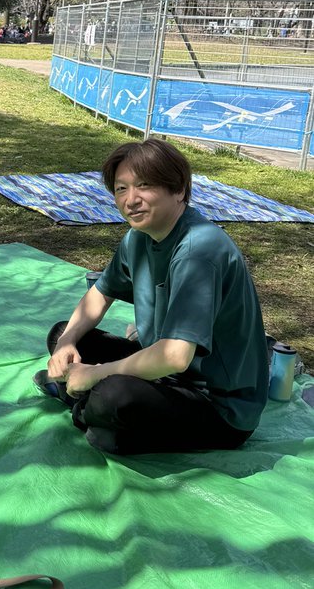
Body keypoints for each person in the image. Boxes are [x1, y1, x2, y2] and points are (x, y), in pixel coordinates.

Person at [35, 138, 270, 455]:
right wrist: (68, 342)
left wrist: (94, 374)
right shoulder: (137, 238)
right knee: (65, 334)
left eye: (144, 185)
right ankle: (93, 409)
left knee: (113, 393)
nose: (131, 200)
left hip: (217, 405)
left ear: (179, 190)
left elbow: (175, 356)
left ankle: (84, 406)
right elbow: (100, 294)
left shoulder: (199, 250)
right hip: (164, 376)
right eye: (121, 189)